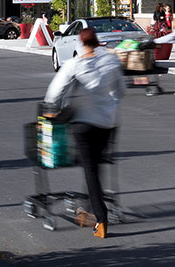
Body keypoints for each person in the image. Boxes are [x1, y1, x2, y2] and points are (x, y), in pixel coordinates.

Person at [42, 26, 123, 239]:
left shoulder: (74, 65)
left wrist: (55, 111)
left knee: (91, 170)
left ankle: (101, 219)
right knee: (95, 169)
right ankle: (87, 209)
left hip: (83, 125)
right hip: (107, 123)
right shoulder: (111, 61)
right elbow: (120, 91)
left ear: (80, 43)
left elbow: (54, 93)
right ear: (97, 42)